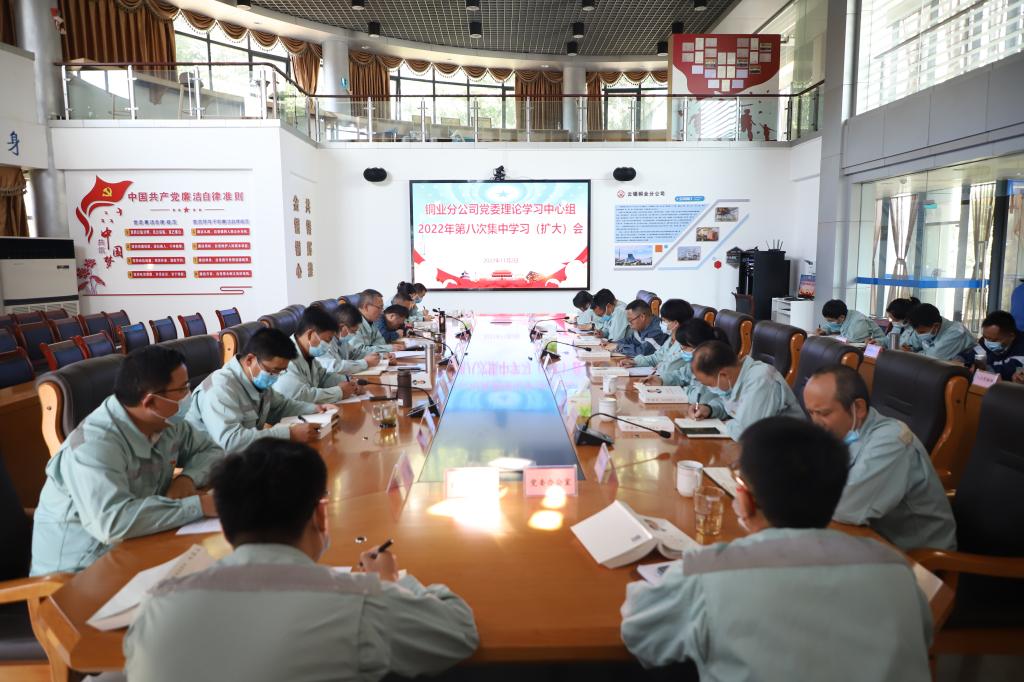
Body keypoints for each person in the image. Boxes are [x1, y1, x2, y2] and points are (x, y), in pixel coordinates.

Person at [124, 439, 479, 681]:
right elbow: (459, 630)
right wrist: (392, 582)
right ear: (320, 516)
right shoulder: (359, 604)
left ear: (226, 525)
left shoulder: (156, 606)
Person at [621, 417, 933, 682]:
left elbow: (639, 630)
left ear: (744, 499)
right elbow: (923, 637)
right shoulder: (897, 570)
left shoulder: (709, 573)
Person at [30, 346, 221, 575]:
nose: (188, 395)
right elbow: (113, 522)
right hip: (77, 573)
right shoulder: (93, 446)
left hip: (137, 544)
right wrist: (199, 506)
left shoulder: (166, 421)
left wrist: (187, 479)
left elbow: (211, 451)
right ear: (150, 402)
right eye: (182, 389)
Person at [803, 366, 956, 551]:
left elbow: (845, 507)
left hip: (917, 558)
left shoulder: (890, 441)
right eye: (811, 413)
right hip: (867, 539)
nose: (816, 423)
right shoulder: (840, 433)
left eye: (824, 413)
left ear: (858, 408)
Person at [187, 328, 326, 450]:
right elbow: (230, 441)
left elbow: (280, 407)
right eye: (273, 370)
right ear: (250, 360)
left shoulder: (257, 381)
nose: (276, 376)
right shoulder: (220, 388)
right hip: (211, 464)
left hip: (244, 457)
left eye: (281, 371)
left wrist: (316, 409)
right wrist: (289, 434)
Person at [688, 340, 804, 440]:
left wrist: (724, 424)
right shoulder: (736, 377)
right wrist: (710, 409)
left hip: (789, 449)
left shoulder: (761, 380)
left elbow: (746, 431)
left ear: (723, 375)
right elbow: (731, 405)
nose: (710, 388)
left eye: (709, 384)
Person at [275, 307, 360, 405]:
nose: (328, 346)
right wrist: (338, 392)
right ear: (310, 334)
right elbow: (299, 395)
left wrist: (350, 382)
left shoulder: (307, 354)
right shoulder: (284, 357)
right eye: (327, 341)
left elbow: (323, 377)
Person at [657, 319, 723, 404]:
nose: (682, 351)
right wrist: (661, 380)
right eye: (682, 347)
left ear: (701, 345)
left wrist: (679, 391)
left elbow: (700, 398)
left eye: (685, 347)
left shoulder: (712, 364)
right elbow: (681, 375)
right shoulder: (695, 361)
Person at [619, 298, 693, 371]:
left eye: (664, 320)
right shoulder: (671, 338)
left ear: (676, 323)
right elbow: (656, 357)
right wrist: (635, 362)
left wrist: (662, 365)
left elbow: (671, 367)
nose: (661, 323)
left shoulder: (686, 344)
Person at [317, 303, 381, 376]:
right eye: (353, 331)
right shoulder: (324, 342)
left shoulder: (341, 341)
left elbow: (355, 354)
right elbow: (334, 367)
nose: (355, 334)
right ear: (342, 327)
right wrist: (365, 363)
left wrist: (378, 356)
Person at [906, 303, 975, 361]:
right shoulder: (922, 326)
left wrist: (912, 353)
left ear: (936, 326)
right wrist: (908, 348)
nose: (919, 335)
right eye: (917, 332)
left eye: (922, 332)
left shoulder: (956, 333)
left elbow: (933, 357)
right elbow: (910, 345)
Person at [976, 310, 1024, 382]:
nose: (988, 342)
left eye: (994, 340)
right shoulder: (984, 340)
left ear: (1011, 336)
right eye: (986, 337)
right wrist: (961, 359)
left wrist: (984, 369)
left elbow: (1011, 369)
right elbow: (973, 354)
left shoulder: (1021, 345)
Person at [352, 289, 401, 355]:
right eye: (379, 307)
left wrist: (381, 351)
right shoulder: (352, 322)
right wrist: (388, 348)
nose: (382, 312)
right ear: (366, 307)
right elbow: (357, 352)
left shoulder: (372, 322)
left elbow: (381, 343)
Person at [817, 299, 886, 344]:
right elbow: (831, 326)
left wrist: (831, 338)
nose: (829, 322)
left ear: (841, 317)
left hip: (877, 348)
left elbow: (851, 340)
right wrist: (824, 331)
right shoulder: (845, 315)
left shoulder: (858, 321)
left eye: (830, 320)